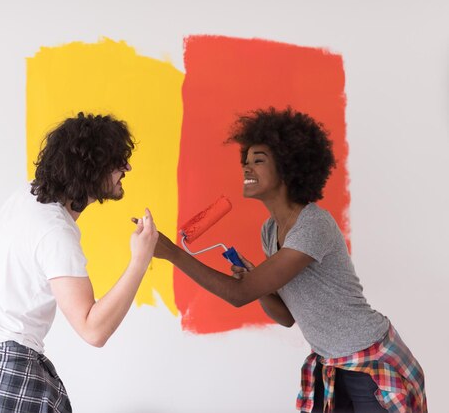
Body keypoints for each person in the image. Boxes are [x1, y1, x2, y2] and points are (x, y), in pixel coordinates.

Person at [152, 108, 426, 413]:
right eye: (245, 160)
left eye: (258, 160)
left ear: (287, 167)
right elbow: (286, 316)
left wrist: (172, 253)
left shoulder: (312, 225)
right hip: (331, 365)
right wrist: (259, 280)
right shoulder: (270, 231)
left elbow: (239, 294)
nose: (246, 168)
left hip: (370, 360)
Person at [0, 112, 158, 413]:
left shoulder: (25, 199)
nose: (127, 167)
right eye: (116, 161)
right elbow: (93, 330)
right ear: (90, 169)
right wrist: (140, 259)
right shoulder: (55, 232)